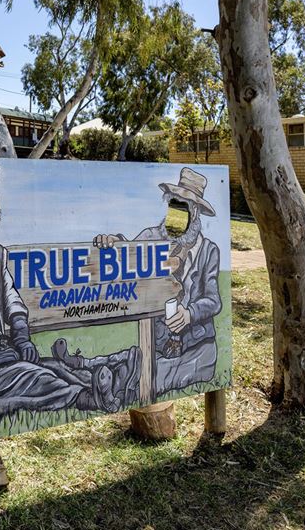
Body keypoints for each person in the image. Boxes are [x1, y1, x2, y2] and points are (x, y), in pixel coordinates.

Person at [0, 158, 140, 418]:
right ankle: (88, 397)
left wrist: (21, 337)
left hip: (0, 349)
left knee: (52, 367)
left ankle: (109, 382)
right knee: (27, 378)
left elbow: (11, 298)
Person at [94, 167, 222, 395]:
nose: (175, 215)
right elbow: (130, 253)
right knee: (128, 360)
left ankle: (108, 388)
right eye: (173, 206)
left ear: (195, 213)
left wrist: (189, 314)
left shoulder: (208, 250)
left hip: (197, 347)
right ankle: (84, 367)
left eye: (182, 208)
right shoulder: (153, 237)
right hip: (159, 345)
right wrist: (114, 243)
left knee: (146, 377)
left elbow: (213, 301)